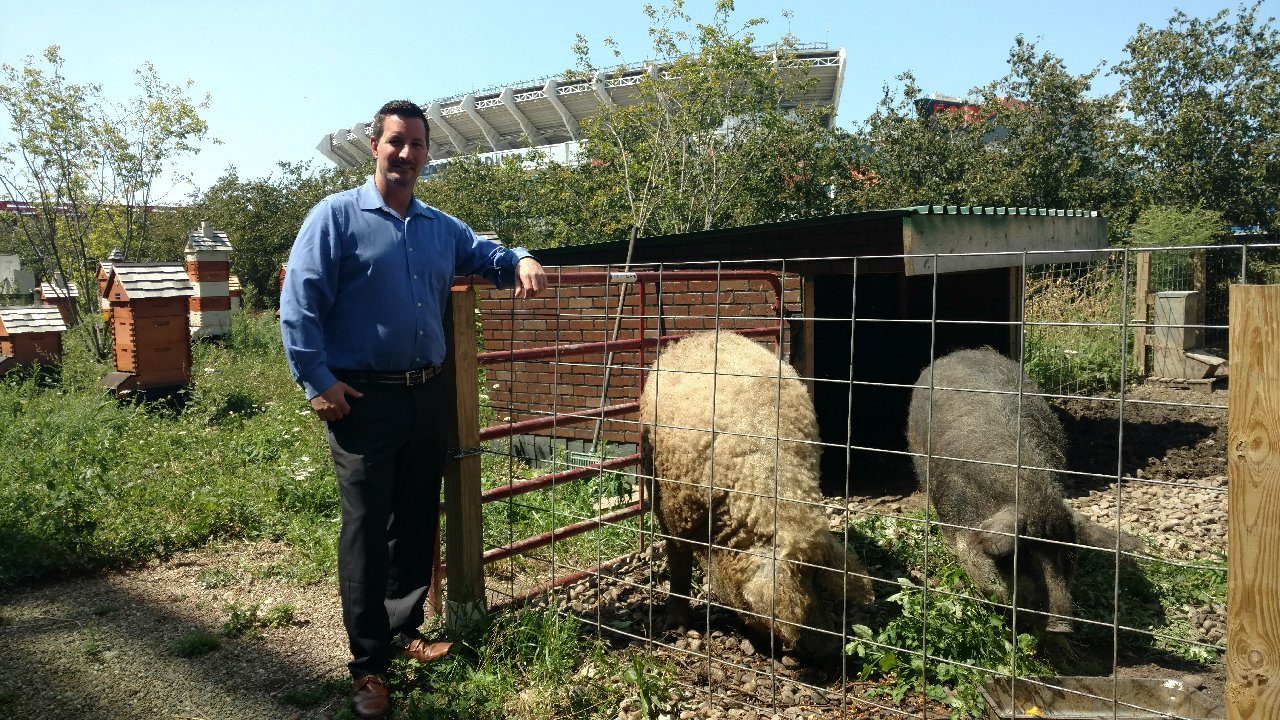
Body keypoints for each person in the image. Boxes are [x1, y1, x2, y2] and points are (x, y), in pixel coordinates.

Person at [280, 99, 546, 719]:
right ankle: (368, 666)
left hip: (428, 392)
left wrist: (521, 259)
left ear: (428, 152)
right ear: (375, 146)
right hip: (362, 399)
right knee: (367, 528)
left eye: (417, 144)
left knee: (417, 515)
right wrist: (317, 381)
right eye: (396, 142)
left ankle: (404, 630)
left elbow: (485, 253)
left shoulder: (439, 228)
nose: (406, 153)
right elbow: (299, 306)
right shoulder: (335, 219)